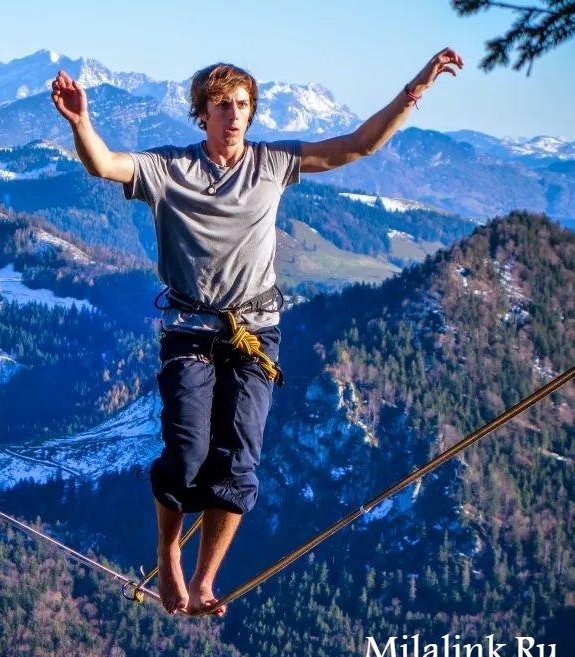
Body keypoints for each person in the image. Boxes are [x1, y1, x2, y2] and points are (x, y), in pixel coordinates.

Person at [51, 48, 464, 616]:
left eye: (243, 104)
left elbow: (357, 145)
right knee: (187, 452)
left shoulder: (271, 162)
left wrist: (415, 89)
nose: (235, 113)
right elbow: (103, 165)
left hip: (255, 332)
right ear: (202, 113)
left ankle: (205, 580)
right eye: (223, 104)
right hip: (191, 330)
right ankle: (168, 552)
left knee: (238, 459)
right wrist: (80, 123)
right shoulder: (169, 169)